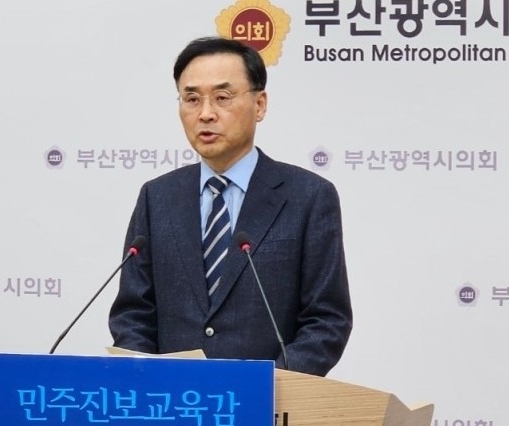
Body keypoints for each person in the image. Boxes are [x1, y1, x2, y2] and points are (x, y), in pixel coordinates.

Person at [108, 36, 352, 376]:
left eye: (222, 98)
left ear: (260, 104)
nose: (206, 114)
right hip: (174, 397)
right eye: (192, 99)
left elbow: (327, 320)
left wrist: (262, 388)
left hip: (268, 399)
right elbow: (133, 313)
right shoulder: (157, 197)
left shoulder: (308, 197)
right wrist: (152, 380)